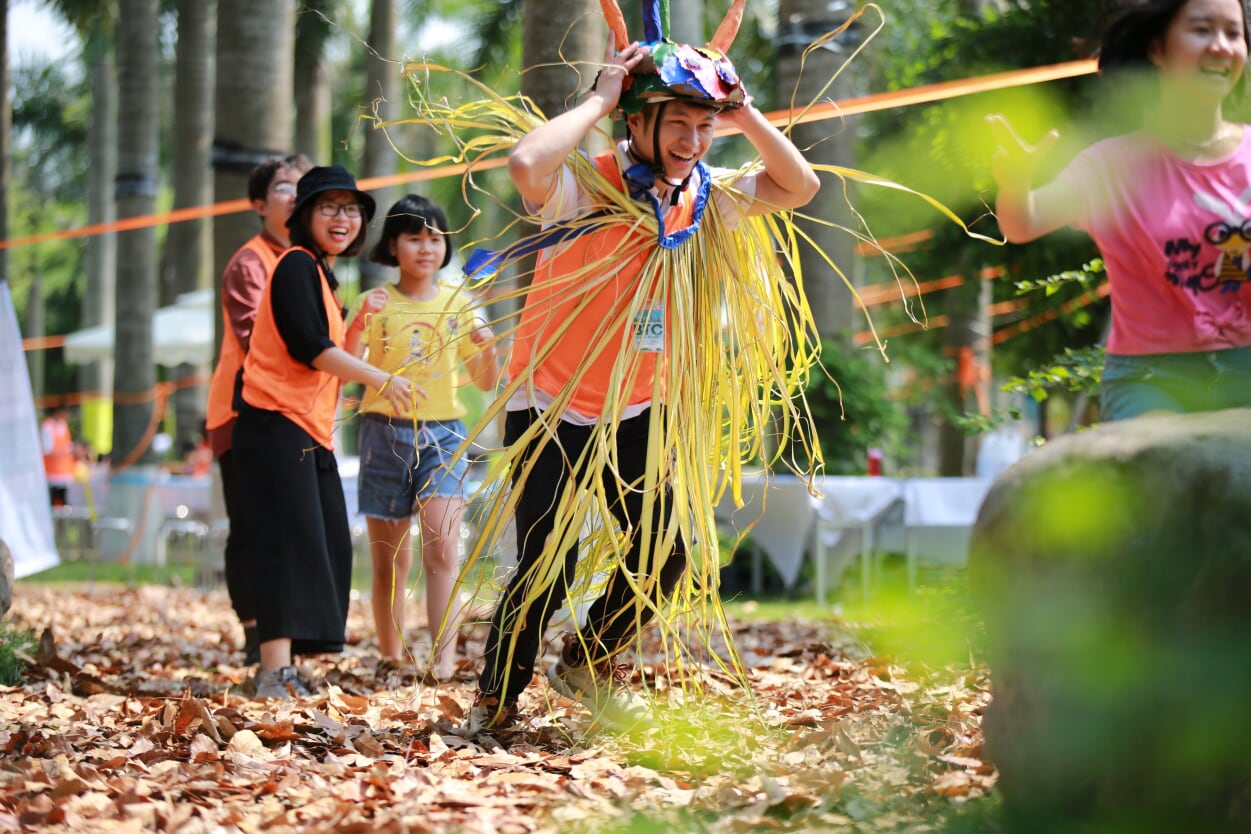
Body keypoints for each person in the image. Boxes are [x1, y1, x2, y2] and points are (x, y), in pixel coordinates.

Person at [464, 0, 820, 733]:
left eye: (702, 126)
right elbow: (525, 162)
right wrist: (600, 96)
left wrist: (742, 111)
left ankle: (584, 664)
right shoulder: (583, 185)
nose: (693, 140)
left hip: (639, 407)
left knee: (667, 560)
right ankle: (495, 702)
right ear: (636, 124)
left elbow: (800, 187)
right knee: (543, 566)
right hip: (551, 403)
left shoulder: (704, 198)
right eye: (677, 124)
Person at [989, 0, 1251, 420]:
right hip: (1152, 383)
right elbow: (1024, 223)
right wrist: (1016, 183)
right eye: (1202, 30)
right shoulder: (1111, 166)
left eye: (1233, 34)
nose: (1221, 47)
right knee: (1166, 466)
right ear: (1157, 50)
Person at [231, 165, 415, 699]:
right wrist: (383, 378)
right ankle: (272, 670)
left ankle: (285, 666)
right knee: (282, 547)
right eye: (330, 207)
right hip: (273, 425)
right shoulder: (293, 265)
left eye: (352, 209)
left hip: (305, 430)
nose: (344, 219)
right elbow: (311, 348)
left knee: (321, 542)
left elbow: (331, 352)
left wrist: (357, 321)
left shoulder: (319, 273)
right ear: (305, 214)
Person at [346, 194, 500, 683]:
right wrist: (354, 325)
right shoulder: (375, 303)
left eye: (435, 237)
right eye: (414, 237)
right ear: (393, 245)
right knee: (389, 559)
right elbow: (344, 364)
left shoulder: (460, 305)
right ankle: (390, 655)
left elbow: (483, 379)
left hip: (445, 436)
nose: (426, 247)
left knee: (442, 551)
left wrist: (489, 350)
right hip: (382, 433)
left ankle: (443, 661)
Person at [205, 154, 312, 665]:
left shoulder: (312, 261)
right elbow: (261, 342)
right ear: (258, 204)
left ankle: (282, 633)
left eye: (302, 188)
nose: (296, 197)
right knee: (250, 525)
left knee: (287, 524)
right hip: (241, 413)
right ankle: (254, 632)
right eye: (286, 188)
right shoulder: (250, 262)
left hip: (295, 415)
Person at [41, 404, 75, 508]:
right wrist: (64, 450)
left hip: (64, 473)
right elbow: (47, 449)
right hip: (51, 475)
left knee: (64, 504)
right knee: (52, 503)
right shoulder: (47, 426)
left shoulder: (64, 425)